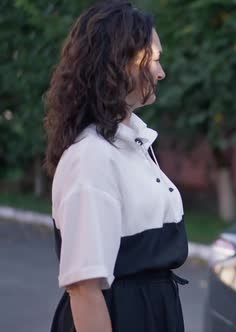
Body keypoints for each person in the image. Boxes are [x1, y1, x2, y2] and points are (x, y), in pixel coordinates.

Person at [44, 1, 188, 331]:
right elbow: (84, 288)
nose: (161, 72)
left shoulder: (132, 145)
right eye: (152, 59)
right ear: (118, 64)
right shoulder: (91, 157)